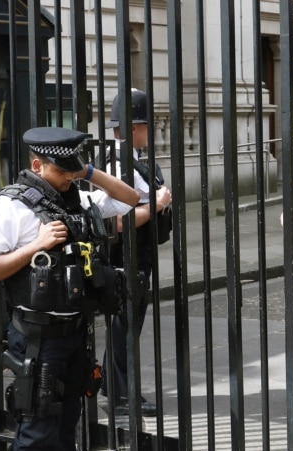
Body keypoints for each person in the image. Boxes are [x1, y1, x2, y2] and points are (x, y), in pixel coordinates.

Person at [0, 126, 139, 451]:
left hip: (75, 337)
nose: (70, 177)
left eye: (74, 168)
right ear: (38, 166)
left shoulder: (78, 201)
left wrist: (87, 171)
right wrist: (37, 245)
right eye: (63, 169)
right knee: (37, 435)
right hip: (38, 340)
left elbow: (130, 199)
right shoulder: (10, 207)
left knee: (65, 430)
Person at [101, 88, 173, 416]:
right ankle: (120, 394)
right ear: (131, 127)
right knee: (124, 325)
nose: (151, 129)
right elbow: (116, 222)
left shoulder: (132, 161)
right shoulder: (117, 163)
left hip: (137, 253)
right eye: (146, 123)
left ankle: (111, 384)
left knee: (127, 324)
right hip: (124, 255)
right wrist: (157, 204)